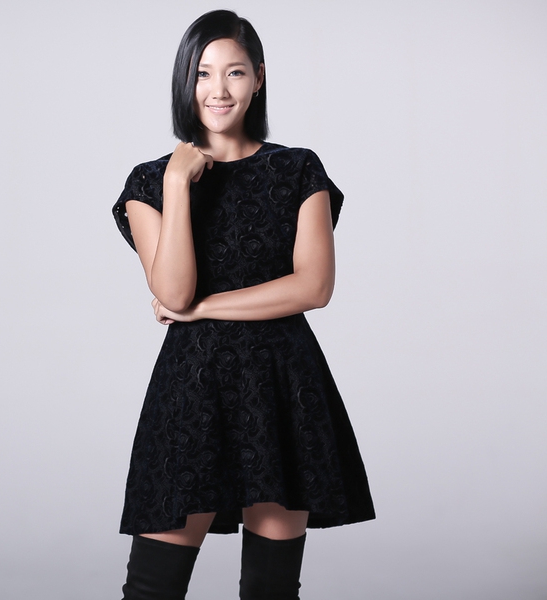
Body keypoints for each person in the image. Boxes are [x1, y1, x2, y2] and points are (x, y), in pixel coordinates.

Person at [111, 10, 375, 600]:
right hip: (191, 388)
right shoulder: (149, 183)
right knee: (151, 590)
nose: (219, 89)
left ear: (258, 77)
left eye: (234, 72)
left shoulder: (298, 168)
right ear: (185, 80)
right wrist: (178, 183)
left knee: (271, 590)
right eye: (203, 73)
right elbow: (173, 292)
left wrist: (202, 310)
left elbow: (314, 287)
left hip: (283, 385)